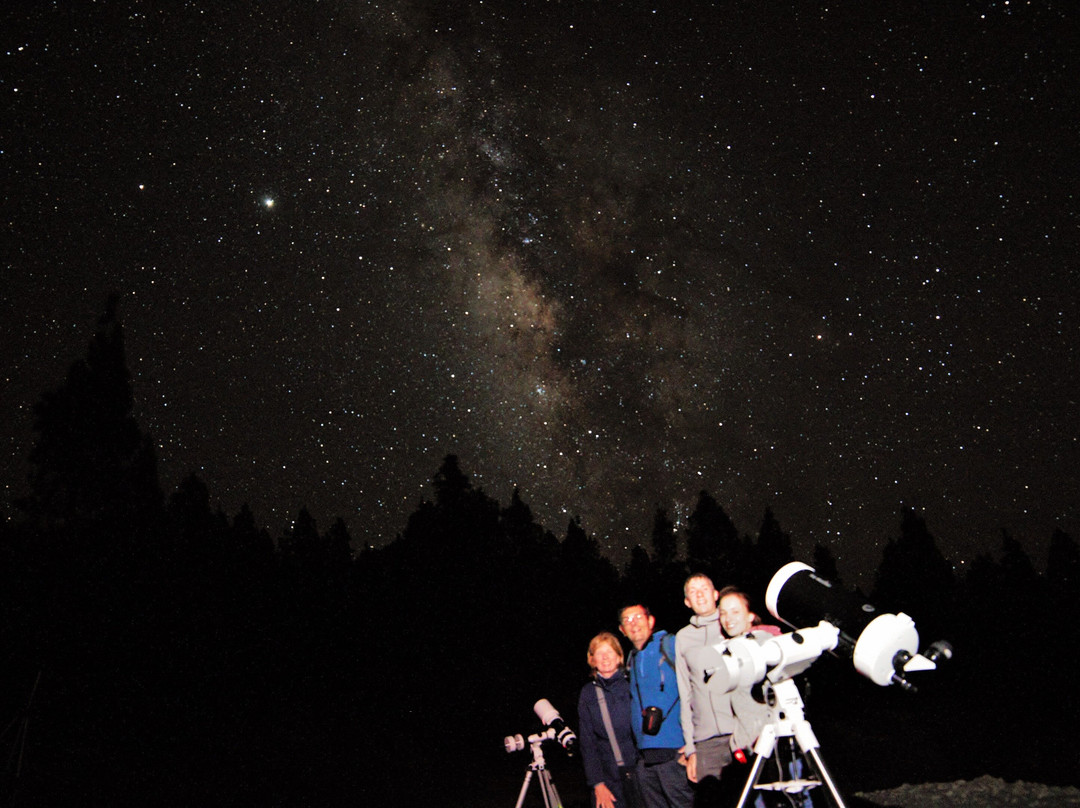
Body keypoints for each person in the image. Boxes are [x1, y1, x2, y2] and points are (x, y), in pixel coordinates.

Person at [674, 574, 773, 805]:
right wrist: (691, 749)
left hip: (741, 736)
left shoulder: (731, 625)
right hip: (706, 741)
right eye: (692, 591)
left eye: (705, 588)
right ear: (687, 601)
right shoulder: (683, 638)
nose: (699, 594)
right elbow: (685, 693)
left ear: (715, 594)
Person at [717, 587, 813, 808]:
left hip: (777, 742)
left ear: (751, 616)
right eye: (723, 613)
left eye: (735, 611)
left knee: (796, 799)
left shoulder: (766, 643)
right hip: (749, 746)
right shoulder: (729, 649)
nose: (728, 619)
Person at [619, 604, 695, 808]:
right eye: (627, 620)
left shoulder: (671, 644)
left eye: (638, 617)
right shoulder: (631, 659)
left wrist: (693, 745)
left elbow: (697, 687)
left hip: (675, 753)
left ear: (650, 621)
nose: (633, 623)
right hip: (645, 758)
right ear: (622, 630)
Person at [578, 632, 643, 808]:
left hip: (640, 774)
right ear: (592, 660)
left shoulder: (634, 684)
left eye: (610, 652)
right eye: (599, 653)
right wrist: (597, 784)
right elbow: (587, 743)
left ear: (620, 657)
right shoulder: (588, 694)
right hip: (608, 779)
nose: (605, 657)